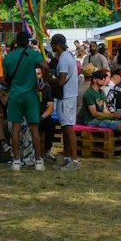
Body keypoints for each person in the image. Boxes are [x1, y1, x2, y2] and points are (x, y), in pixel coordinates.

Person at [0, 30, 48, 170]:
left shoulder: (8, 57)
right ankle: (38, 161)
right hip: (30, 94)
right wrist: (42, 81)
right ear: (28, 42)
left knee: (15, 128)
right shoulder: (33, 54)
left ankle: (16, 161)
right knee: (34, 128)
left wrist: (11, 85)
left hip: (15, 95)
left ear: (16, 42)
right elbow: (45, 66)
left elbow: (2, 78)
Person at [78, 70, 121, 154]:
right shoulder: (89, 93)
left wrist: (112, 115)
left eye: (104, 78)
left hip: (100, 118)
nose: (104, 79)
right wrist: (111, 116)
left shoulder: (101, 92)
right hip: (91, 120)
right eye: (101, 78)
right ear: (94, 79)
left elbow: (105, 109)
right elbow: (94, 113)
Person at [48, 33, 81, 169]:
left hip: (66, 96)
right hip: (68, 96)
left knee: (68, 128)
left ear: (57, 45)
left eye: (52, 44)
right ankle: (67, 157)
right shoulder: (69, 56)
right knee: (64, 127)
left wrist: (49, 79)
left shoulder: (63, 59)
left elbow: (61, 81)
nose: (51, 47)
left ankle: (74, 160)